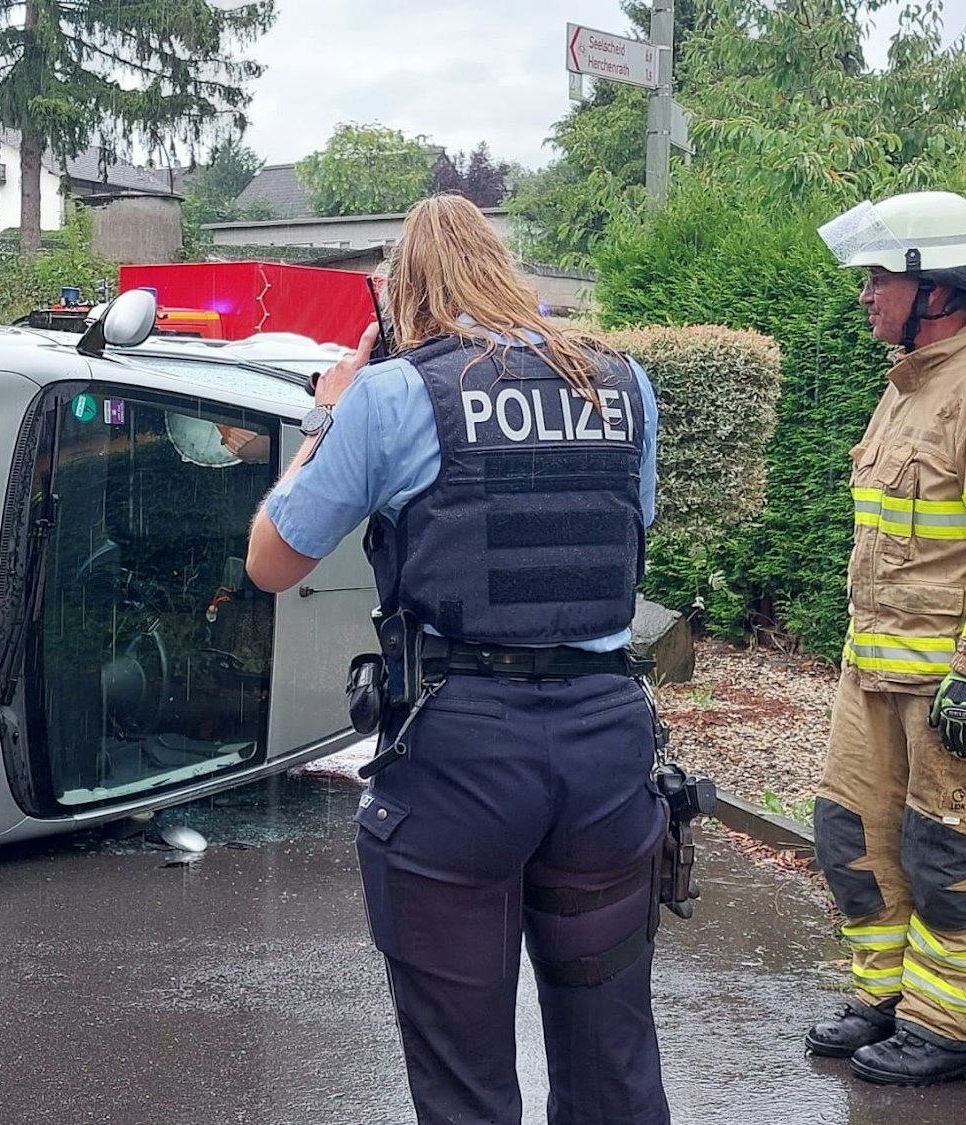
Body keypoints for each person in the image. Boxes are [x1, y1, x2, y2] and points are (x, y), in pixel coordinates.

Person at [245, 194, 669, 1124]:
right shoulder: (625, 384)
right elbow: (627, 540)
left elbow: (270, 559)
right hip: (606, 747)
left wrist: (326, 418)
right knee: (614, 1063)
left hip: (462, 754)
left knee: (464, 1074)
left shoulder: (397, 395)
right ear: (504, 270)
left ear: (401, 295)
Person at [805, 190, 966, 1086]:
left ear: (934, 287)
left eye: (879, 277)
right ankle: (891, 998)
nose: (866, 294)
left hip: (959, 683)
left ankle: (953, 1028)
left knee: (954, 856)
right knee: (853, 834)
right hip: (873, 670)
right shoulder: (909, 386)